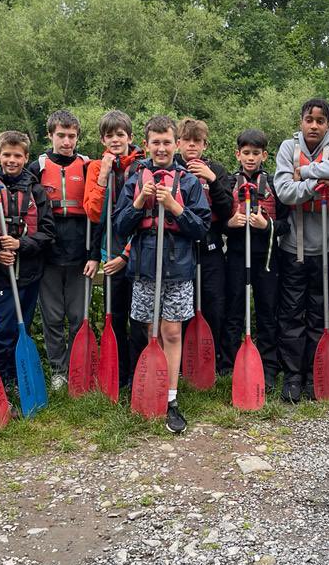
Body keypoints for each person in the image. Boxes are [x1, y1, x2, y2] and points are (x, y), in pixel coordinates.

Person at [113, 116, 210, 433]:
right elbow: (120, 226)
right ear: (147, 145)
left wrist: (174, 206)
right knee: (146, 330)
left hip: (178, 270)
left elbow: (201, 228)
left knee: (171, 332)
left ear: (176, 144)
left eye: (167, 142)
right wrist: (140, 201)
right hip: (144, 269)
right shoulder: (134, 180)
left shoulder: (189, 182)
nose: (162, 148)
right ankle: (148, 385)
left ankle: (171, 398)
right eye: (155, 142)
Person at [0, 131, 56, 403]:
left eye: (17, 155)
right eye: (6, 154)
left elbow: (47, 233)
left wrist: (20, 244)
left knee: (22, 328)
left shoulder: (36, 191)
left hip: (28, 274)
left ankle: (18, 381)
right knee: (2, 331)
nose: (11, 160)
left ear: (26, 157)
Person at [273, 98, 329, 403]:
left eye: (320, 121)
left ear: (328, 124)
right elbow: (284, 192)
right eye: (309, 120)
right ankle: (293, 375)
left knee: (319, 313)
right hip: (294, 247)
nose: (314, 125)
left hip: (327, 246)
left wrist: (303, 173)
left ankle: (316, 373)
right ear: (301, 121)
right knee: (291, 312)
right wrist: (317, 185)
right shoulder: (287, 148)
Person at [28, 111, 100, 390]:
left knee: (78, 316)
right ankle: (58, 370)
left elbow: (97, 214)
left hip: (80, 251)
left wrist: (95, 255)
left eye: (72, 136)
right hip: (48, 252)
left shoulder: (87, 166)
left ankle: (78, 367)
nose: (67, 142)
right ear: (50, 135)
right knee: (53, 316)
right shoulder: (37, 167)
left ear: (78, 137)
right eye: (61, 135)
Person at [82, 110, 145, 387]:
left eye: (120, 134)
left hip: (138, 252)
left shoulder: (143, 167)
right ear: (102, 140)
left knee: (139, 318)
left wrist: (126, 255)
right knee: (116, 316)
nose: (115, 139)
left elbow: (146, 217)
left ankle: (138, 374)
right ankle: (118, 375)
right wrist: (104, 175)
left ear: (130, 137)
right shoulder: (97, 168)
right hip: (111, 253)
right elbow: (95, 214)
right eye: (110, 135)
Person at [221, 129, 286, 387]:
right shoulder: (228, 183)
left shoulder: (274, 185)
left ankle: (269, 367)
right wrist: (230, 223)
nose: (250, 158)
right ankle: (229, 365)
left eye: (255, 153)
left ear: (264, 155)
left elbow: (286, 224)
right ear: (237, 154)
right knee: (234, 310)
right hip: (237, 256)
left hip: (266, 259)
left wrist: (267, 225)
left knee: (267, 311)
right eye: (246, 153)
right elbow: (217, 222)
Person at [174, 118, 234, 374]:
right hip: (181, 250)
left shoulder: (217, 170)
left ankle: (212, 359)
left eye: (197, 141)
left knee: (214, 305)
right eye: (187, 140)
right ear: (178, 143)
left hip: (211, 249)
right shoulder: (171, 168)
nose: (192, 145)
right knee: (182, 307)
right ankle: (183, 363)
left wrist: (213, 180)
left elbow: (227, 210)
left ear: (204, 145)